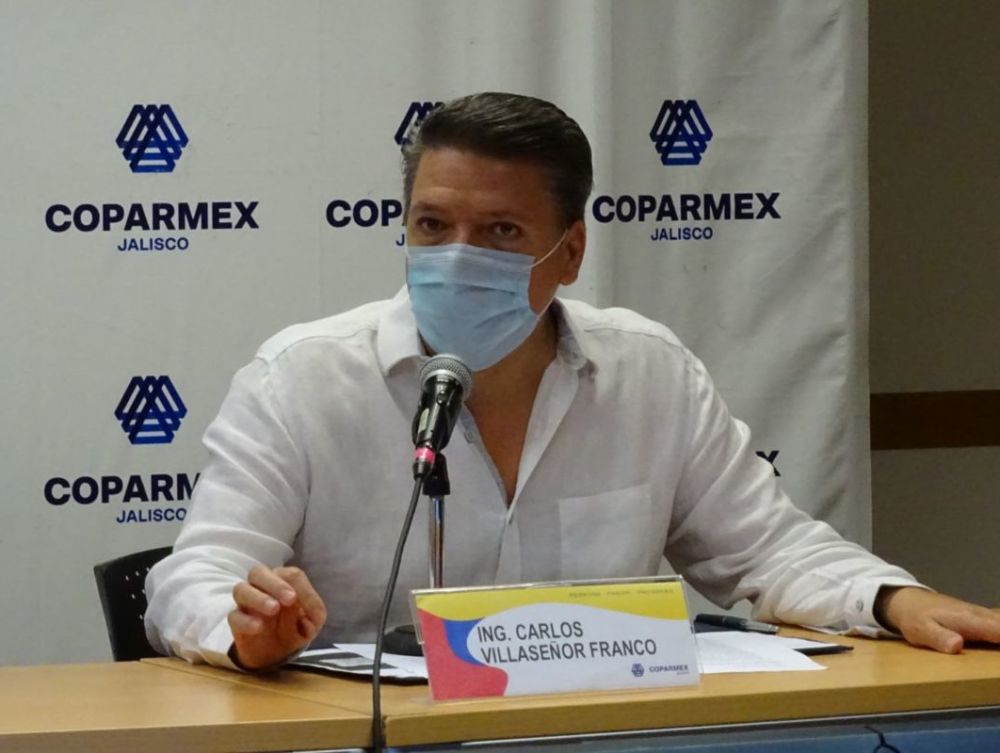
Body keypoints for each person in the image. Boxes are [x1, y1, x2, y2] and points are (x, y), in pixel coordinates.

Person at [145, 92, 1000, 671]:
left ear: (571, 250)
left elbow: (768, 550)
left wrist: (895, 597)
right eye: (432, 225)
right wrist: (244, 628)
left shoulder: (649, 373)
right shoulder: (301, 379)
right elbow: (195, 575)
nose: (456, 257)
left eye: (500, 231)